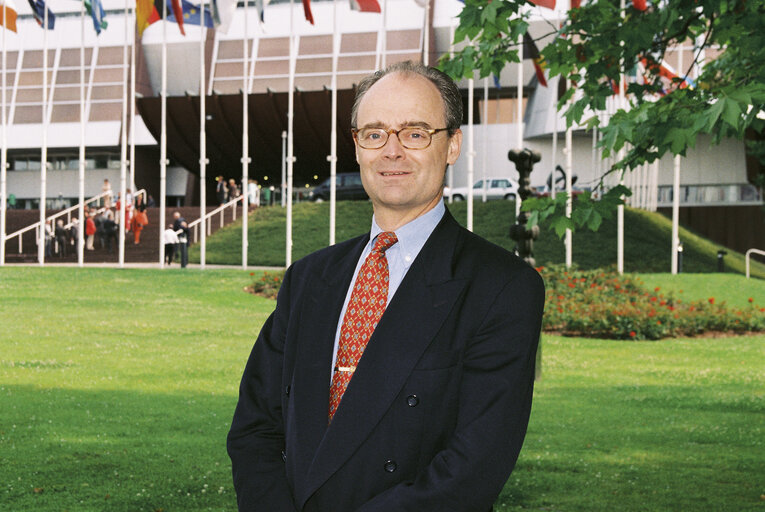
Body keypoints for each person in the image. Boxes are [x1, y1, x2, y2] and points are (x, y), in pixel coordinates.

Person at [227, 61, 545, 512]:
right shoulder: (309, 278)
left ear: (452, 144)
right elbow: (255, 428)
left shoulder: (503, 288)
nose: (391, 151)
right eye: (374, 133)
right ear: (356, 147)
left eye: (414, 133)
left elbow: (472, 469)